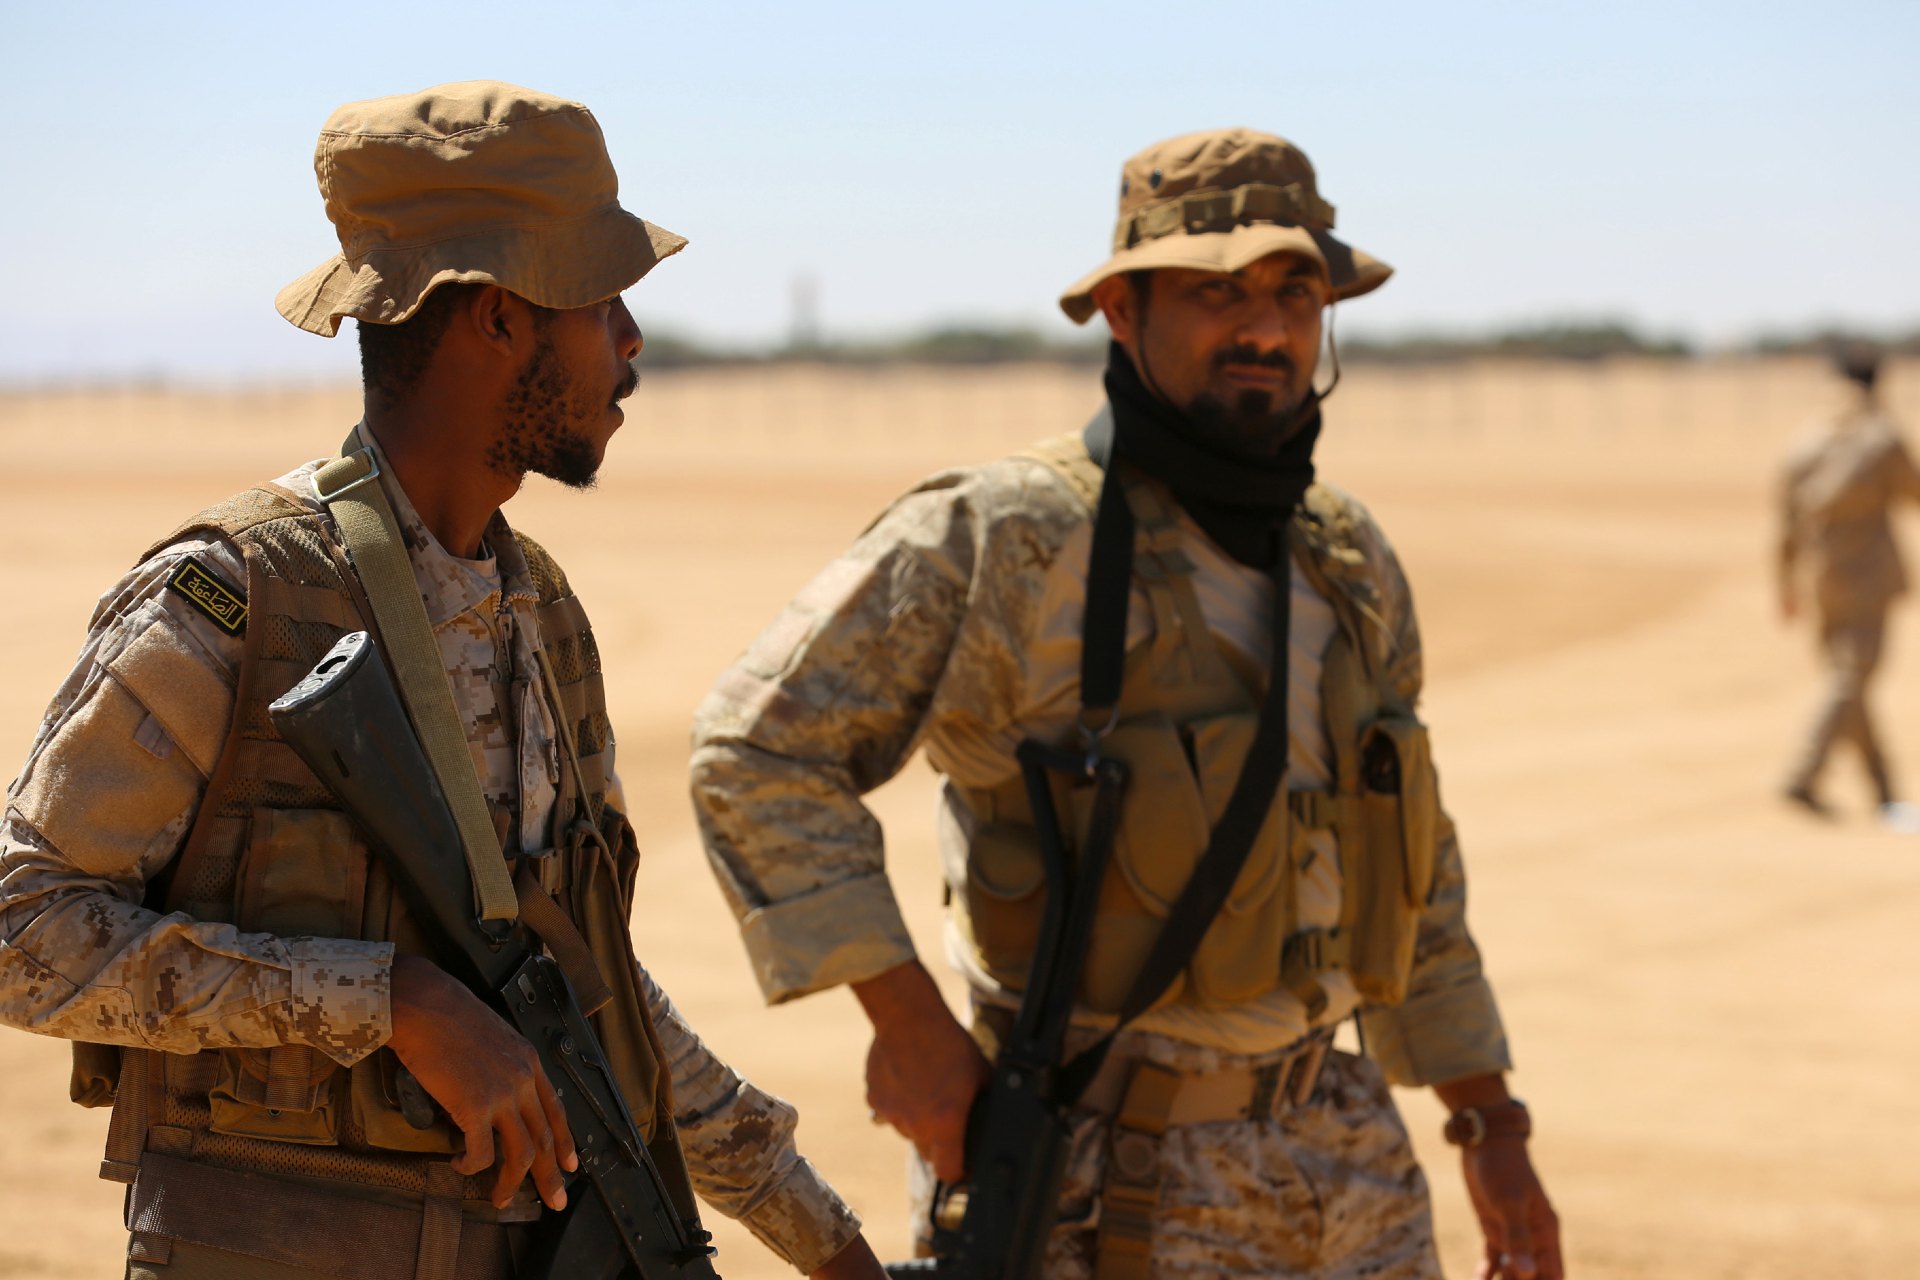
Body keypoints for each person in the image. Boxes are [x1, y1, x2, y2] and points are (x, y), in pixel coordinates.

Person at [0, 81, 883, 1280]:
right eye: (600, 299)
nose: (630, 340)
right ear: (497, 318)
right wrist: (391, 1002)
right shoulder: (234, 598)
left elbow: (592, 994)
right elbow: (24, 929)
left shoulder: (545, 617)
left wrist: (823, 1238)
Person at [690, 128, 1563, 1279]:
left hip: (1346, 1154)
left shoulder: (1346, 557)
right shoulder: (1007, 536)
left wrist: (1487, 1119)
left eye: (1296, 291)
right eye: (1216, 290)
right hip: (1101, 1175)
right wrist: (909, 1027)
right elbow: (758, 750)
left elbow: (1413, 862)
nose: (1264, 326)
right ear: (1121, 308)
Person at [1779, 347, 1920, 829]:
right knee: (1850, 681)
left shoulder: (1807, 441)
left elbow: (1786, 526)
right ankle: (1804, 774)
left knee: (1851, 684)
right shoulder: (1879, 438)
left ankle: (1885, 794)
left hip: (1819, 577)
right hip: (1868, 578)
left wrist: (1785, 583)